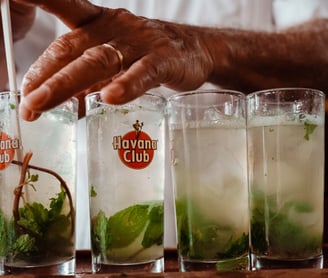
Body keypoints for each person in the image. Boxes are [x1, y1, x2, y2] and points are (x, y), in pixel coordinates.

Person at [2, 0, 328, 250]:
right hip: (90, 250)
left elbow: (321, 44)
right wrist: (7, 33)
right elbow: (16, 96)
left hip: (243, 249)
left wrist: (205, 46)